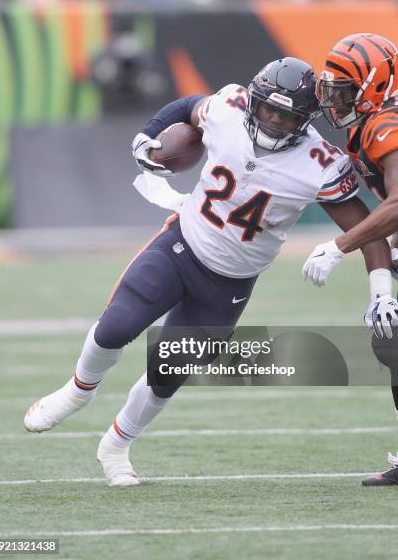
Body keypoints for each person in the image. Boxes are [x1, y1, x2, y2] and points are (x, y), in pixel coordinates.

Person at [24, 56, 393, 487]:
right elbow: (188, 107)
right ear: (252, 100)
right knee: (115, 327)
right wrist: (146, 136)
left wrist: (380, 290)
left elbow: (369, 232)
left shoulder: (320, 163)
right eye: (267, 109)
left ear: (306, 119)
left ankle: (117, 446)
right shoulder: (230, 107)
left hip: (230, 281)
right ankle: (75, 393)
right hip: (182, 245)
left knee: (169, 370)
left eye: (285, 115)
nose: (273, 121)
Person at [302, 32, 398, 485]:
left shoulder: (386, 124)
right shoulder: (372, 124)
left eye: (343, 92)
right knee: (391, 342)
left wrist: (337, 247)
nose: (334, 102)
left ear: (374, 87)